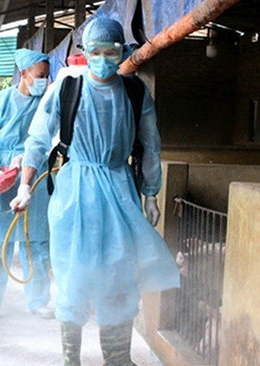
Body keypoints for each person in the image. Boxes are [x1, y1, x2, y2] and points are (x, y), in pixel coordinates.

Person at [10, 18, 180, 365]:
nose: (103, 58)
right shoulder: (68, 88)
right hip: (75, 197)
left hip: (120, 193)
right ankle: (71, 359)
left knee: (119, 277)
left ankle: (117, 359)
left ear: (123, 52)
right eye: (96, 51)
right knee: (74, 277)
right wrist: (25, 185)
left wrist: (150, 193)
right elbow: (39, 138)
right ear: (84, 53)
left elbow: (150, 145)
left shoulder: (134, 92)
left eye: (111, 52)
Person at [0, 48, 53, 324]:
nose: (44, 80)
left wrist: (30, 157)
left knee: (39, 243)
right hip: (2, 180)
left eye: (47, 75)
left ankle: (39, 301)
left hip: (37, 178)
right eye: (40, 76)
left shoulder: (46, 103)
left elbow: (52, 137)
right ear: (24, 74)